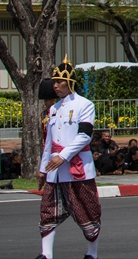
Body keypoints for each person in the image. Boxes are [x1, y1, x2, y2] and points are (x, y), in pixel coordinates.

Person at [37, 56, 101, 259]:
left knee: (87, 212)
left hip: (77, 169)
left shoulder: (85, 105)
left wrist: (63, 156)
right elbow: (49, 142)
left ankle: (92, 253)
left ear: (70, 82)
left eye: (59, 82)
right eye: (54, 82)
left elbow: (84, 135)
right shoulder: (53, 109)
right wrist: (42, 168)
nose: (55, 86)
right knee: (48, 211)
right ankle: (46, 254)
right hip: (54, 171)